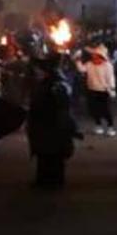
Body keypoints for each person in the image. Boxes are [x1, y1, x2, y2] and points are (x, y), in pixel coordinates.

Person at [27, 55, 81, 189]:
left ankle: (53, 181)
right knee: (45, 155)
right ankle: (45, 179)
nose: (36, 72)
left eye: (39, 69)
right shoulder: (47, 84)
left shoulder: (56, 85)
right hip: (44, 125)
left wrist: (69, 127)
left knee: (52, 155)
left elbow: (63, 108)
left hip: (52, 125)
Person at [79, 45, 117, 136]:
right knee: (95, 109)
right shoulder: (89, 64)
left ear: (101, 56)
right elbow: (81, 69)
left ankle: (110, 127)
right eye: (93, 55)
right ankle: (98, 126)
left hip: (103, 91)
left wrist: (111, 88)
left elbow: (111, 78)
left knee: (106, 110)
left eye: (96, 55)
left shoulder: (107, 65)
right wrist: (77, 60)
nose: (93, 57)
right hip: (92, 90)